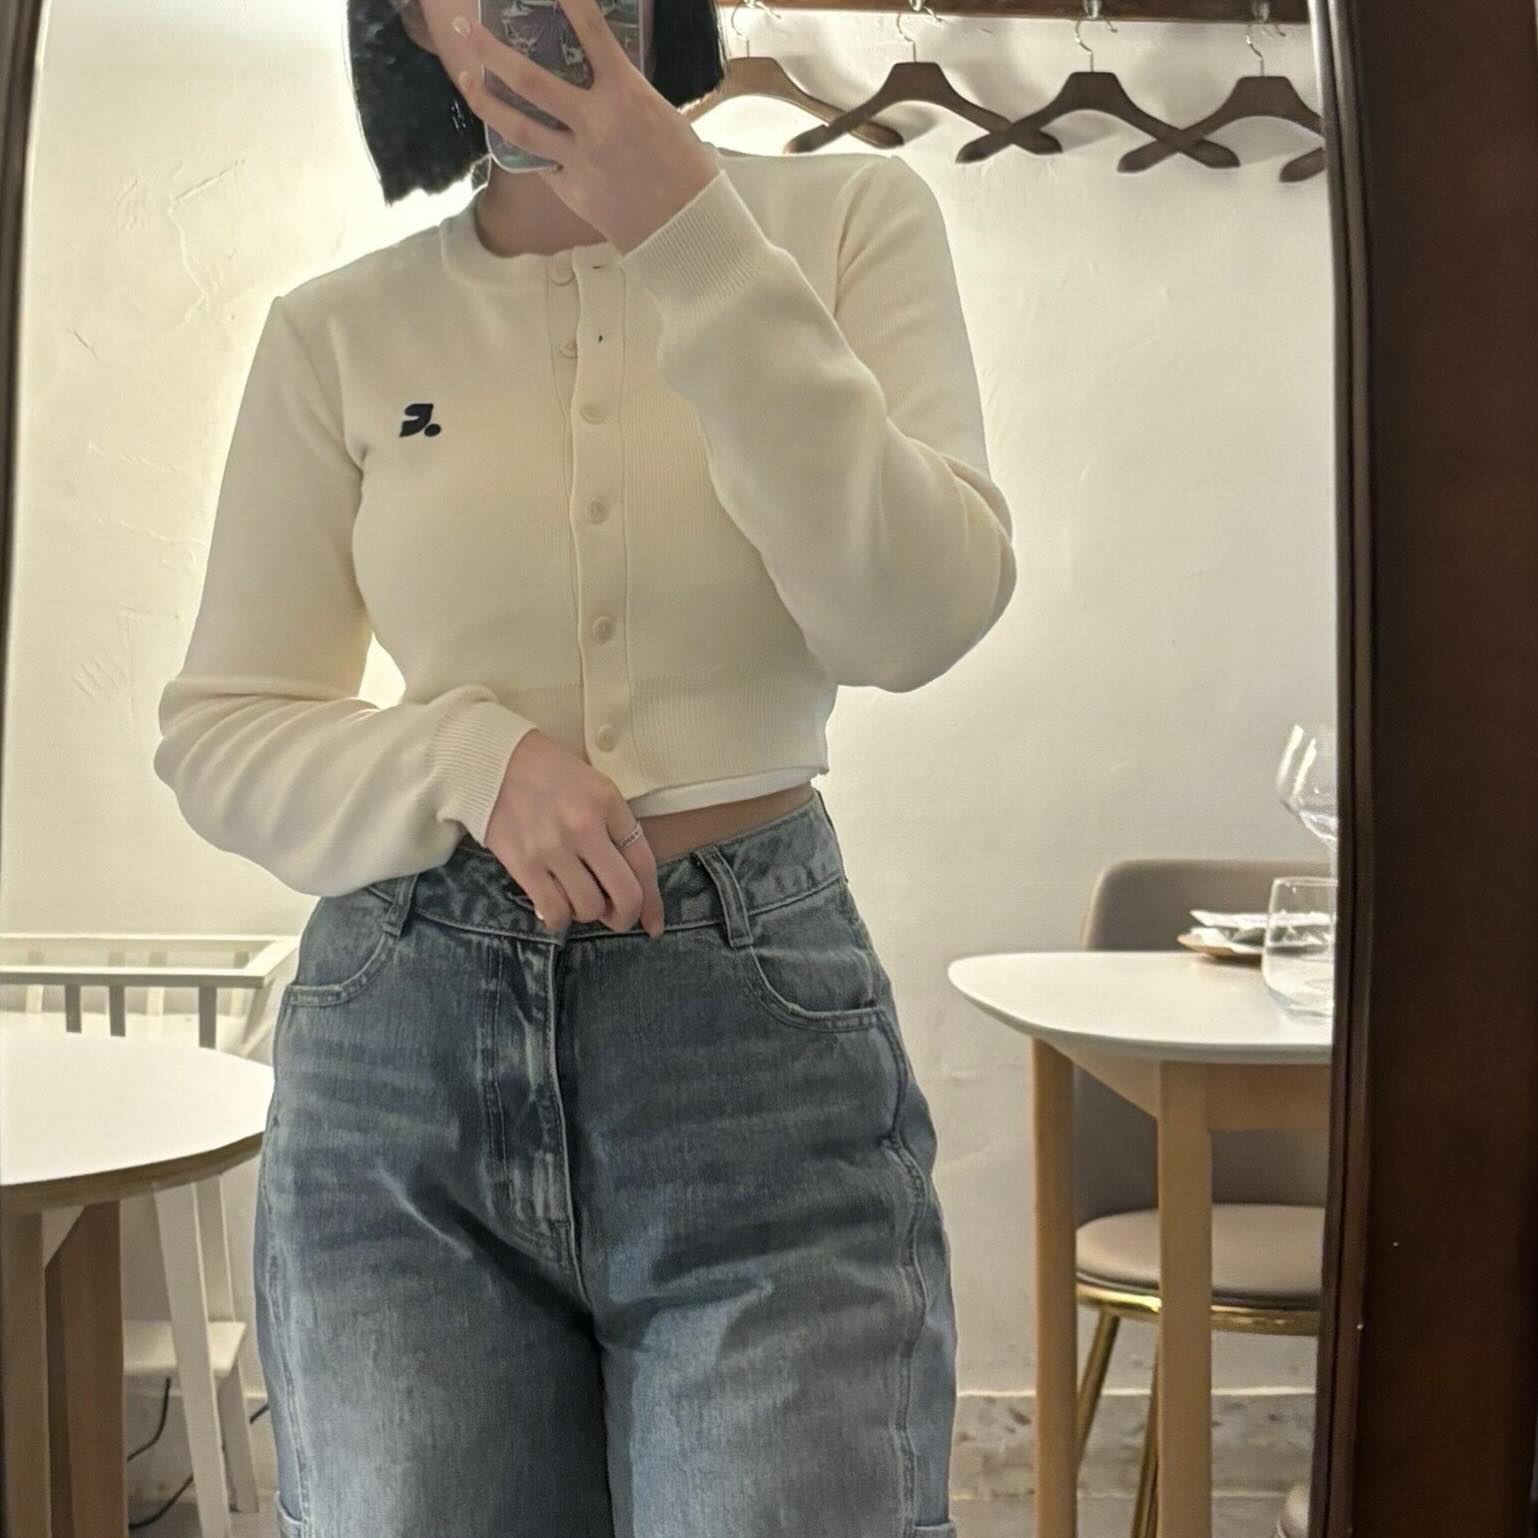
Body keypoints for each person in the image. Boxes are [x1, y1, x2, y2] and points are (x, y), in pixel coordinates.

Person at [153, 0, 1017, 1532]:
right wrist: (464, 757)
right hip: (398, 1071)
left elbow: (912, 615)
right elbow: (221, 730)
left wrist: (688, 225)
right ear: (412, 23)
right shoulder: (338, 329)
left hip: (750, 1054)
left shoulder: (845, 225)